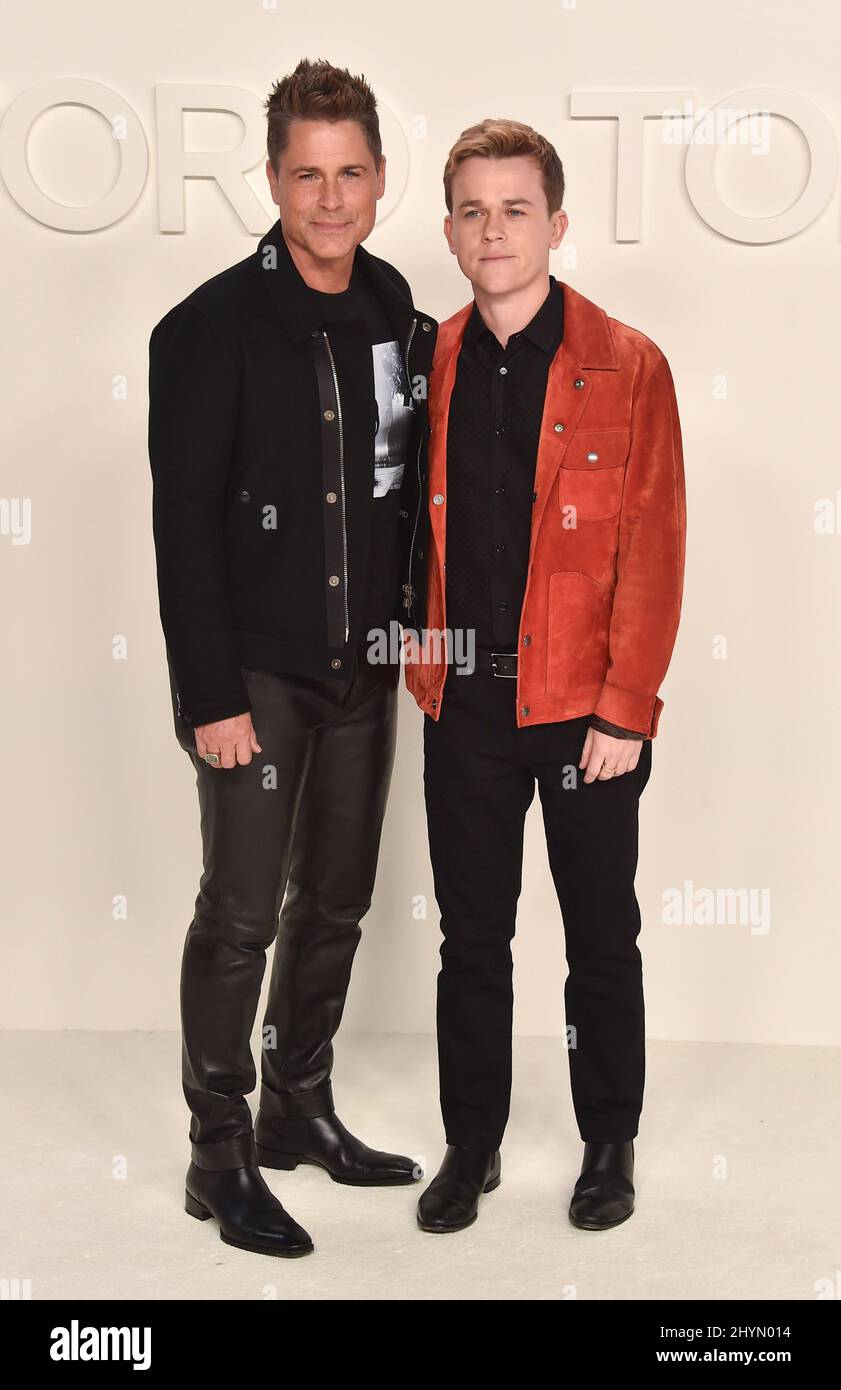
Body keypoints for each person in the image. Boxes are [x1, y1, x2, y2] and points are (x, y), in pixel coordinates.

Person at [148, 58, 437, 1257]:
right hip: (256, 674)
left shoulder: (395, 306)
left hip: (362, 667)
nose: (329, 198)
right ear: (271, 179)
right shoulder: (208, 327)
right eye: (305, 175)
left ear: (379, 179)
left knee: (339, 902)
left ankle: (295, 1106)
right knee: (239, 914)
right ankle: (215, 1157)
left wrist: (416, 619)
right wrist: (211, 695)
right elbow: (183, 526)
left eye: (349, 173)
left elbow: (398, 488)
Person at [403, 118, 686, 1234]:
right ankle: (469, 1143)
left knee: (598, 934)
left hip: (583, 715)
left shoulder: (628, 361)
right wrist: (413, 659)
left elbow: (653, 549)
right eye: (472, 210)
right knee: (469, 938)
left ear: (556, 224)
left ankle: (607, 1142)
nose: (493, 228)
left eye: (514, 208)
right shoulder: (431, 358)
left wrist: (627, 708)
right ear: (449, 231)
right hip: (461, 700)